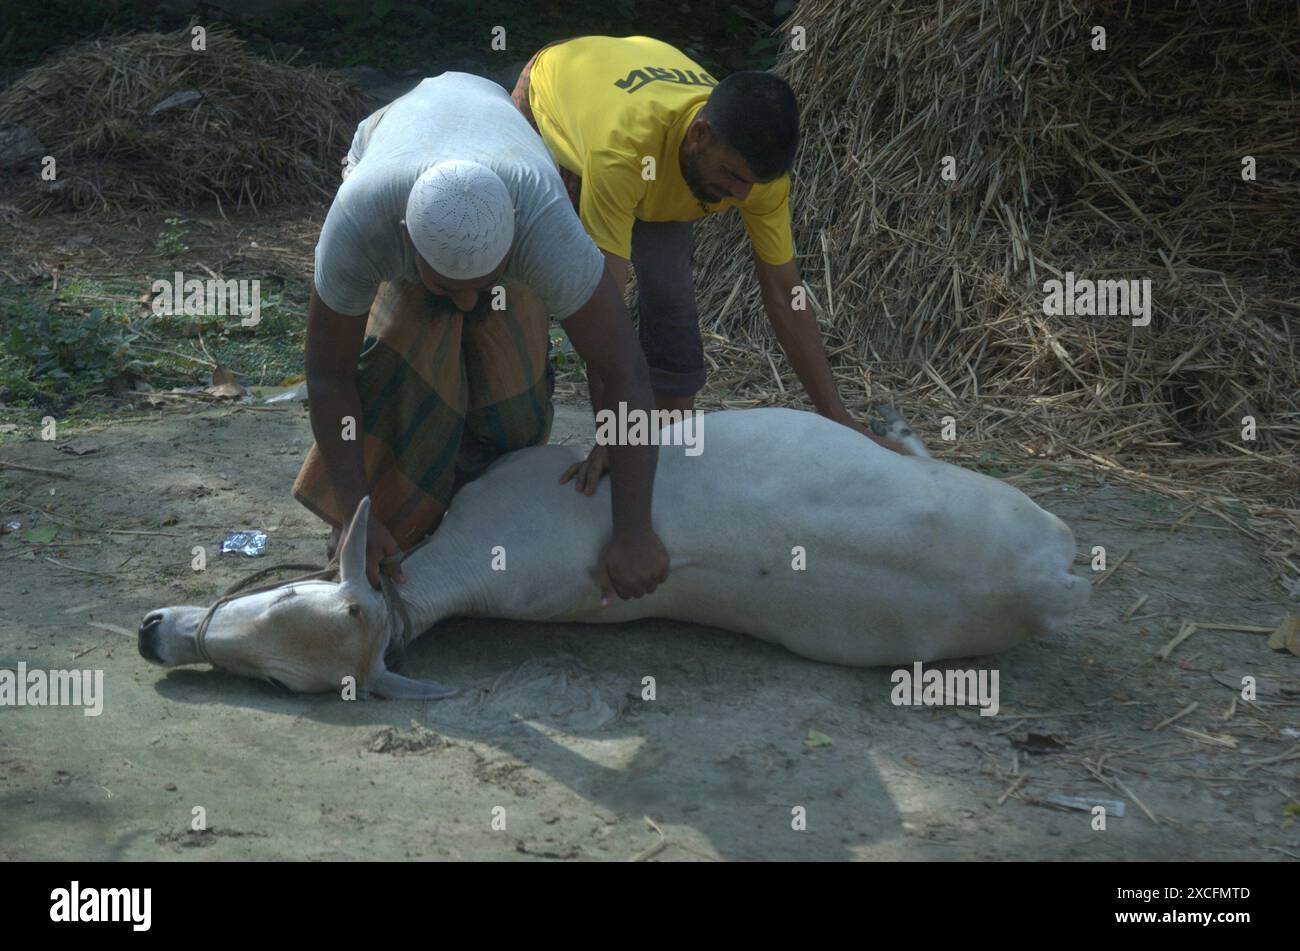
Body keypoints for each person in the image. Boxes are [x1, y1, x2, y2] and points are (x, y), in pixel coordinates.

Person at [293, 72, 669, 600]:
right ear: (407, 241)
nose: (467, 302)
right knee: (403, 355)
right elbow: (329, 376)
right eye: (449, 285)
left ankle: (462, 503)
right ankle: (378, 513)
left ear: (513, 238)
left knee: (511, 398)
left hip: (503, 143)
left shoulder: (544, 226)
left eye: (482, 285)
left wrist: (634, 530)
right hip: (393, 141)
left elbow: (622, 368)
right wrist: (358, 512)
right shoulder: (362, 221)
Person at [511, 35, 902, 492]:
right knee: (531, 288)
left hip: (651, 137)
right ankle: (523, 417)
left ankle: (665, 433)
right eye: (734, 177)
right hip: (554, 103)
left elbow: (785, 295)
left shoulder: (752, 178)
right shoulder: (623, 152)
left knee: (670, 292)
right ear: (700, 136)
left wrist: (838, 419)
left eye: (751, 185)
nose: (741, 198)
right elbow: (604, 308)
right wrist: (615, 434)